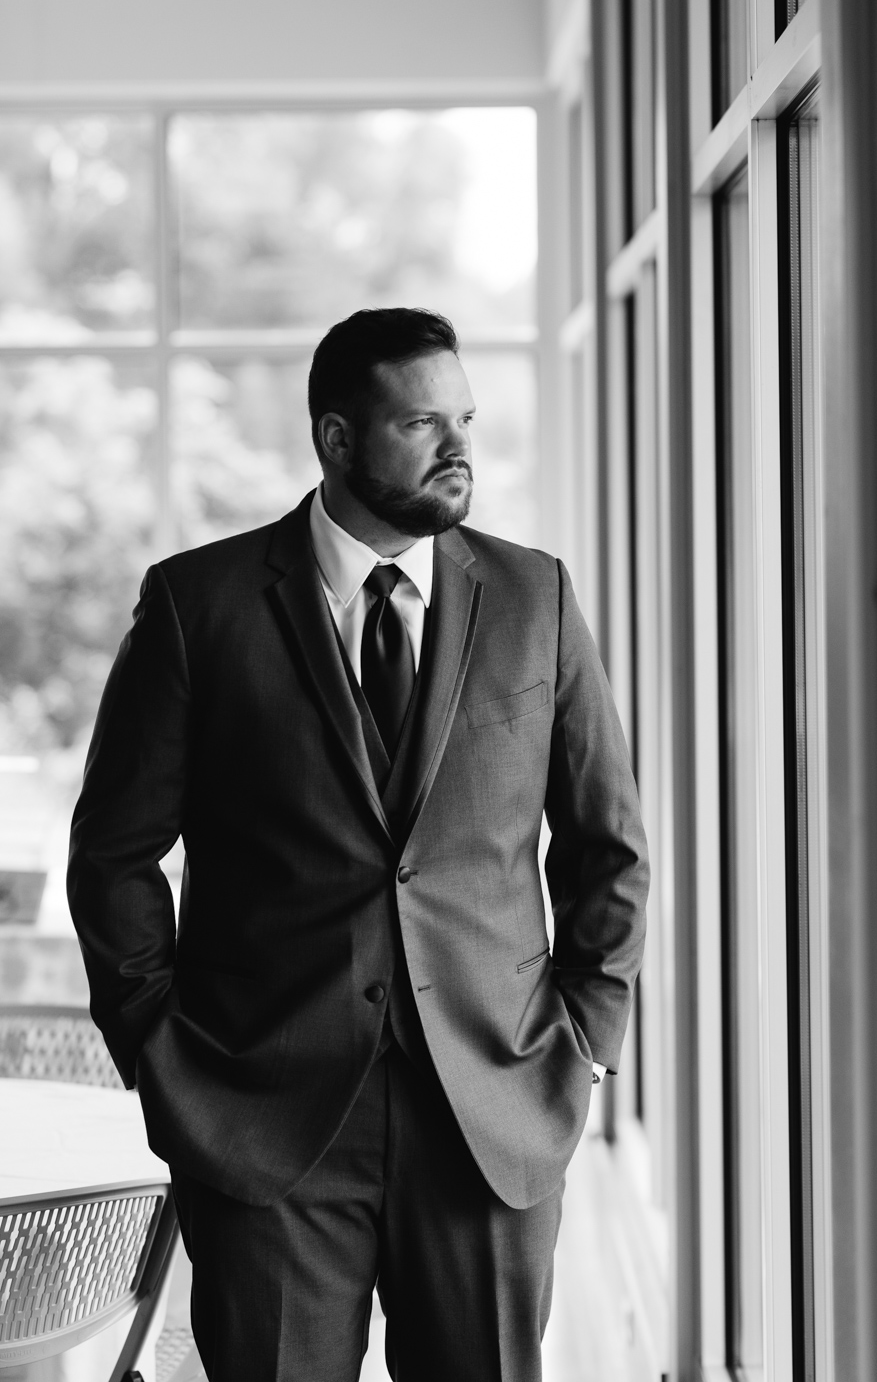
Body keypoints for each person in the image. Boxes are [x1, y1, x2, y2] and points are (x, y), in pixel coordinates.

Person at [67, 307, 649, 1382]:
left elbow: (609, 845)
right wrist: (160, 1049)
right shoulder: (201, 606)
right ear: (336, 439)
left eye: (465, 418)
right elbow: (113, 854)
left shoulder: (535, 597)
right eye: (423, 423)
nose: (459, 447)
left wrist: (585, 1042)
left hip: (494, 1110)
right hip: (264, 1121)